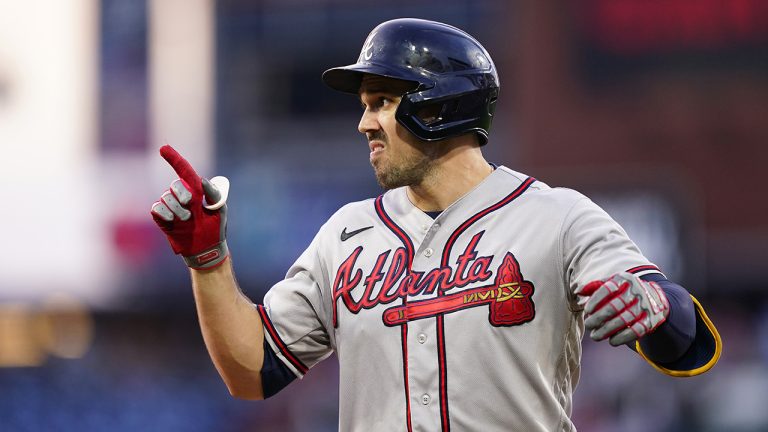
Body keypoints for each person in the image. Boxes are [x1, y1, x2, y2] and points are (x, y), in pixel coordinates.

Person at [151, 18, 721, 431]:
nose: (364, 123)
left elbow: (685, 339)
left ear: (439, 105)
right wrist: (208, 262)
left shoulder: (556, 216)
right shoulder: (346, 232)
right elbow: (253, 373)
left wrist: (654, 306)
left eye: (380, 101)